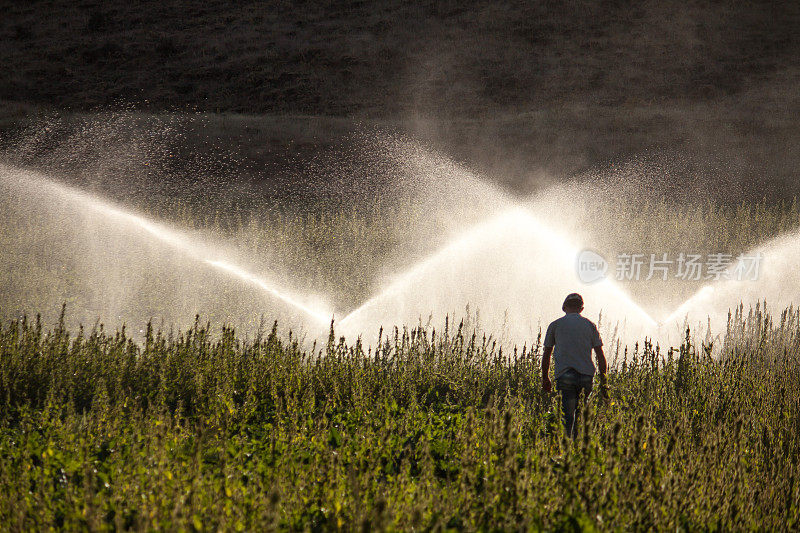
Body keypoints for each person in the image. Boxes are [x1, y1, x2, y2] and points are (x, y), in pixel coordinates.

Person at [541, 293, 607, 438]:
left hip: (565, 376)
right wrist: (604, 381)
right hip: (586, 377)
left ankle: (567, 451)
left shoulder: (555, 325)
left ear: (564, 307)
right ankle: (579, 448)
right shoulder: (590, 325)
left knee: (567, 417)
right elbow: (600, 355)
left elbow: (546, 354)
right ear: (581, 308)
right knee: (581, 416)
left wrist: (545, 378)